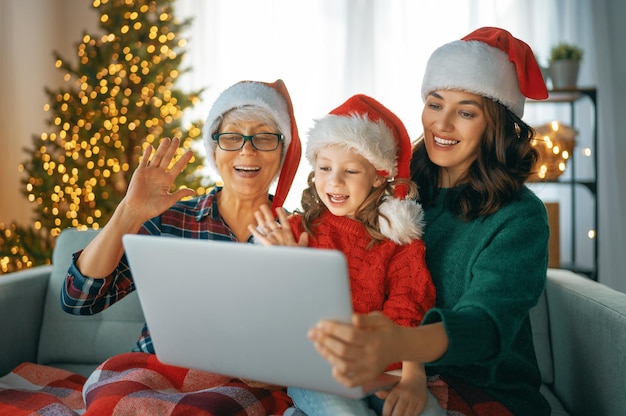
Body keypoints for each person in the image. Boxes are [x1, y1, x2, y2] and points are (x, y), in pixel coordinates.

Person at [305, 27, 553, 415]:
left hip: (482, 387)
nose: (442, 124)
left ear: (496, 125)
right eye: (435, 104)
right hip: (385, 373)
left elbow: (486, 327)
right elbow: (326, 224)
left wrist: (399, 345)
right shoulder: (390, 188)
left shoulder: (519, 217)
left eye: (466, 112)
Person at [61, 79, 303, 414]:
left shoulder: (299, 234)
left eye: (264, 137)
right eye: (232, 136)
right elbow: (79, 299)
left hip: (244, 387)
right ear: (214, 150)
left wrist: (281, 373)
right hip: (154, 373)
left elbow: (311, 345)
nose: (247, 150)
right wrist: (128, 213)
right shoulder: (169, 220)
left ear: (282, 151)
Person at [250, 94, 441, 416]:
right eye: (324, 168)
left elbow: (409, 305)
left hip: (386, 371)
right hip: (314, 370)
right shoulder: (296, 231)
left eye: (351, 171)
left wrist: (413, 376)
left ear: (379, 175)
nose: (334, 181)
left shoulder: (400, 239)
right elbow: (266, 307)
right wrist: (282, 263)